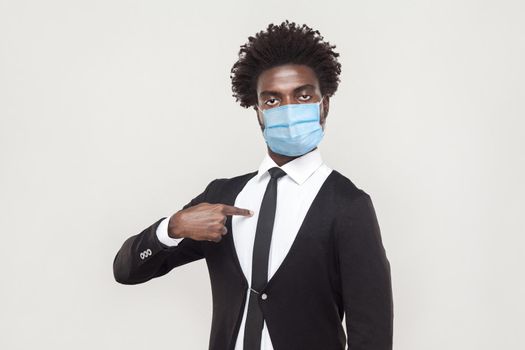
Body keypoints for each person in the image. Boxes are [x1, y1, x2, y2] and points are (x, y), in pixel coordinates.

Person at [113, 20, 393, 350]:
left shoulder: (348, 205)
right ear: (258, 111)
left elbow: (371, 335)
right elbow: (126, 271)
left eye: (303, 96)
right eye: (272, 100)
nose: (288, 110)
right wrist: (171, 228)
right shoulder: (222, 196)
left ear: (324, 104)